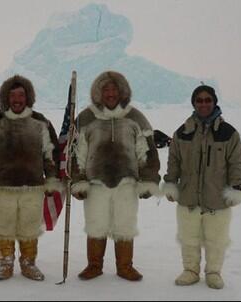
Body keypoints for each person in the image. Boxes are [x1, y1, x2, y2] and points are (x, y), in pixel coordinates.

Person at [71, 71, 161, 281]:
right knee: (96, 223)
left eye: (114, 89)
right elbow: (77, 153)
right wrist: (78, 179)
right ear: (98, 93)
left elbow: (146, 151)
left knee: (125, 224)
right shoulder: (86, 117)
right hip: (95, 183)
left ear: (122, 92)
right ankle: (94, 265)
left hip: (127, 182)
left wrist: (149, 179)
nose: (110, 94)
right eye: (106, 90)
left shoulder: (135, 117)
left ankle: (125, 266)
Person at [0, 75, 61, 281]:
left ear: (28, 96)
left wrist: (51, 179)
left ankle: (28, 263)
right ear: (5, 98)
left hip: (33, 186)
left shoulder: (40, 123)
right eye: (12, 95)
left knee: (30, 226)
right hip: (1, 187)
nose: (17, 99)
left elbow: (51, 154)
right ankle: (6, 263)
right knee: (3, 226)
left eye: (21, 95)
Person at [162, 85, 241, 289]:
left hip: (217, 198)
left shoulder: (228, 133)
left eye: (207, 99)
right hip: (188, 197)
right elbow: (174, 160)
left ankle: (213, 272)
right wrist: (170, 183)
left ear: (214, 102)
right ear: (193, 103)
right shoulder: (182, 132)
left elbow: (236, 162)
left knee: (216, 240)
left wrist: (236, 186)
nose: (203, 103)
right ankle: (190, 270)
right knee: (188, 237)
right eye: (199, 100)